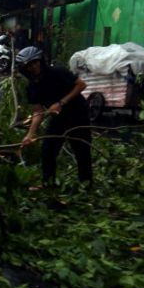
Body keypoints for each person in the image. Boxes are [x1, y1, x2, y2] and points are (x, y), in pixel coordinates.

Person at [17, 46, 93, 189]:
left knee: (81, 150)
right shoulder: (32, 87)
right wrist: (30, 134)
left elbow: (81, 85)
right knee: (48, 150)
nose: (33, 67)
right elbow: (38, 111)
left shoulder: (57, 72)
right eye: (28, 65)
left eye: (35, 62)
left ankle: (86, 187)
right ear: (24, 69)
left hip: (78, 114)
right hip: (58, 119)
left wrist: (61, 103)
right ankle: (48, 184)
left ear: (40, 61)